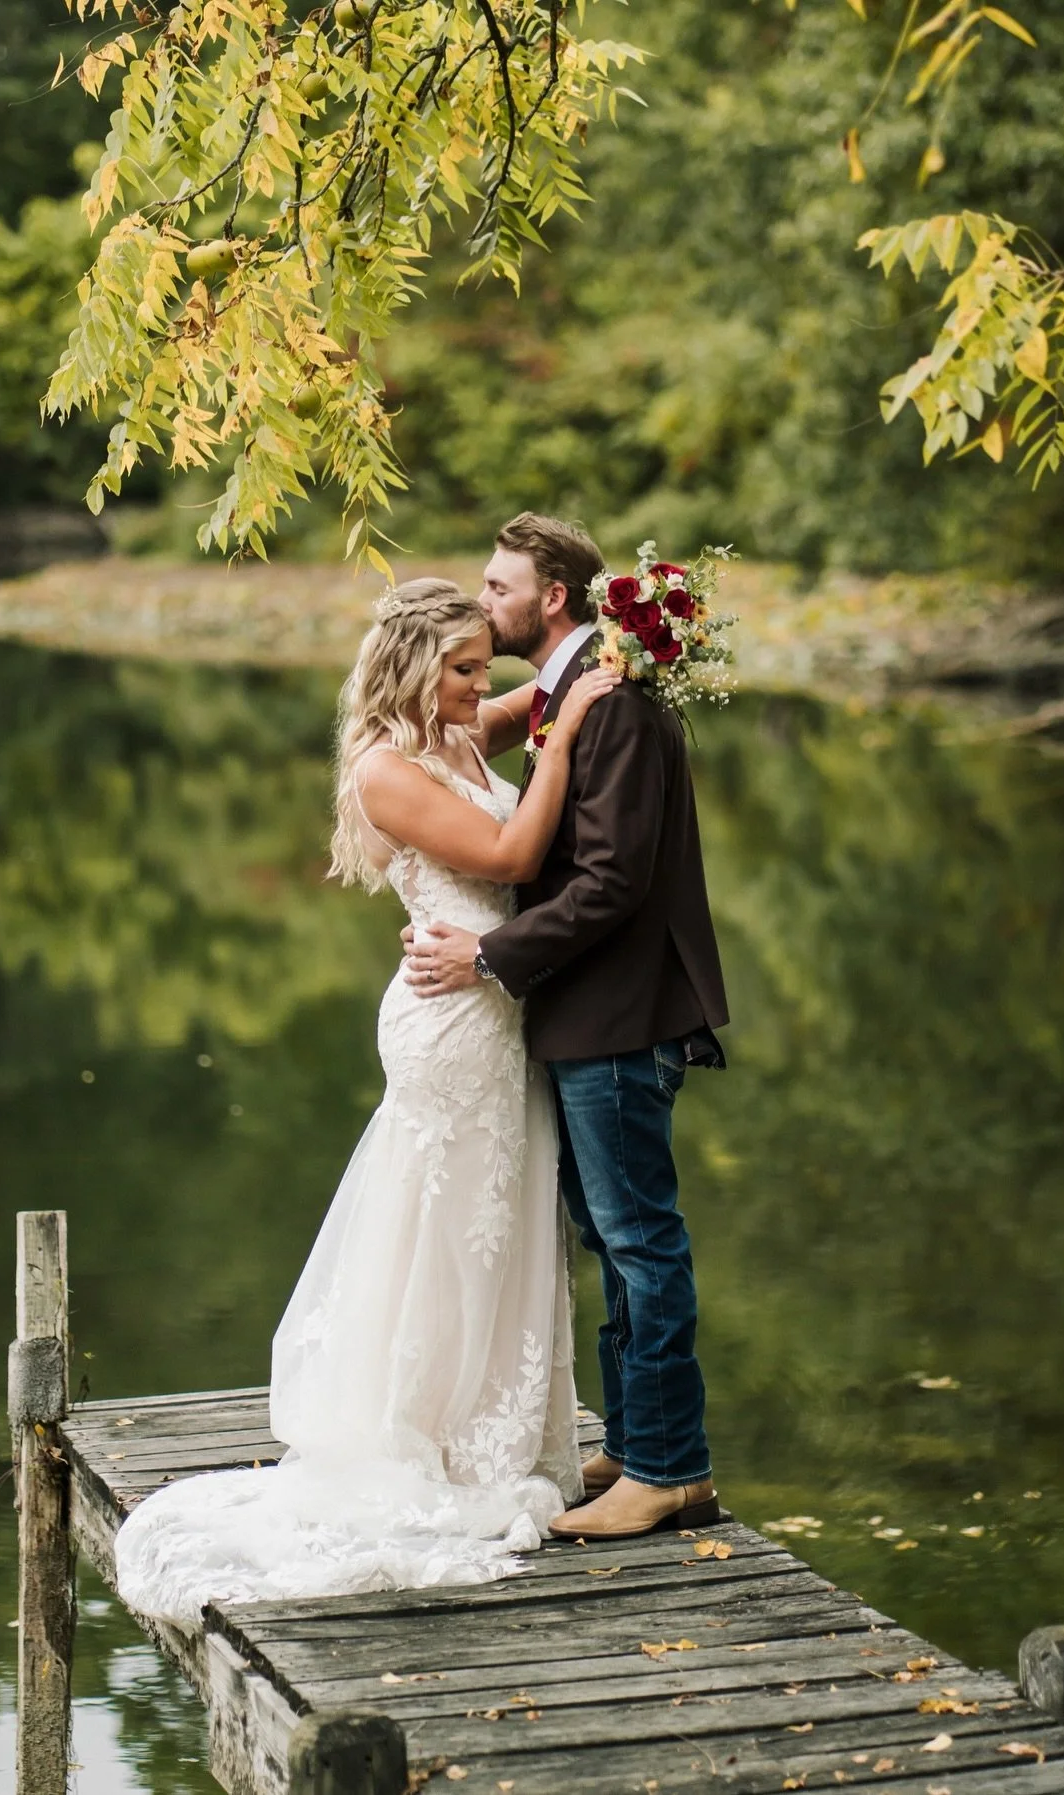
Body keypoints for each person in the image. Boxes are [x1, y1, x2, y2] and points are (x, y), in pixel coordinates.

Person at [112, 577, 619, 1621]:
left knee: (499, 1217)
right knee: (446, 1221)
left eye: (484, 665)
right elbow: (513, 854)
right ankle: (425, 1438)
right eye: (464, 668)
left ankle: (493, 1433)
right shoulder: (386, 767)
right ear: (415, 667)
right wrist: (566, 740)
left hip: (497, 1013)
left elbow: (536, 696)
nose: (481, 685)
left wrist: (609, 657)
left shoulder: (455, 728)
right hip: (449, 1026)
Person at [405, 513, 730, 1543]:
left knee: (640, 1238)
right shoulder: (571, 688)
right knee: (612, 1233)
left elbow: (612, 881)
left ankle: (670, 1470)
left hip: (620, 1014)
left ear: (552, 596)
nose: (483, 600)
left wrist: (487, 954)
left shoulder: (614, 701)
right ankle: (638, 1444)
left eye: (497, 586)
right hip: (589, 1011)